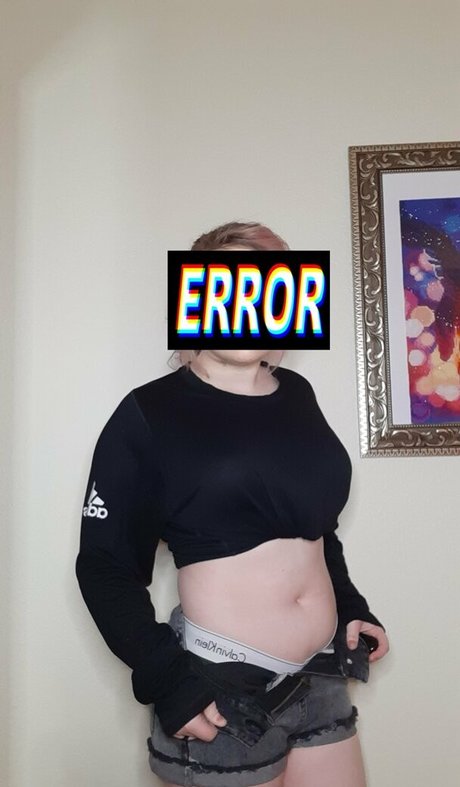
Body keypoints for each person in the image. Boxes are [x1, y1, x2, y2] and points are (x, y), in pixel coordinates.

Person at [76, 221, 389, 787]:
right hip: (221, 690)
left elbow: (317, 529)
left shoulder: (299, 396)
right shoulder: (148, 413)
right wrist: (169, 680)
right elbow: (105, 566)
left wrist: (349, 606)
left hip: (321, 676)